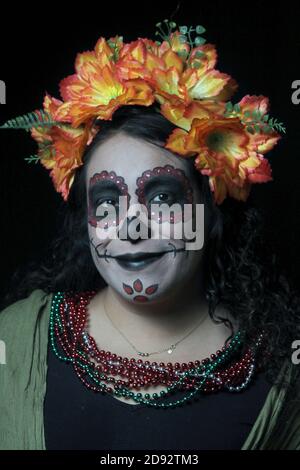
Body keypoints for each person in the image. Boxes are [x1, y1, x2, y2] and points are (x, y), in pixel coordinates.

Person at [0, 20, 300, 450]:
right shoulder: (13, 342)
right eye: (106, 203)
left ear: (211, 205)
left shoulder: (281, 371)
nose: (132, 227)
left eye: (162, 199)